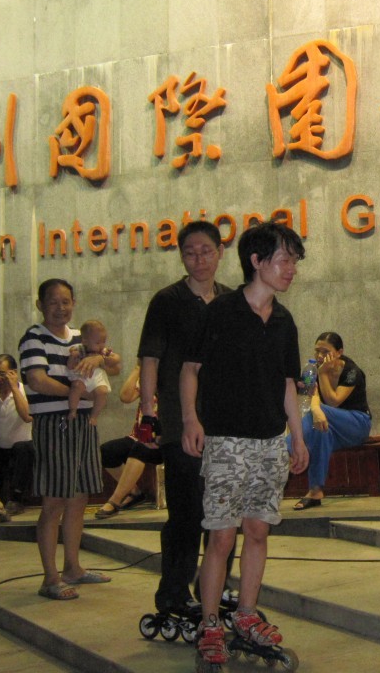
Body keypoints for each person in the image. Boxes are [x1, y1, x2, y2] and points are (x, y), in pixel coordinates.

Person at [181, 222, 309, 667]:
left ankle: (247, 615)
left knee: (258, 531)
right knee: (221, 537)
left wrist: (297, 436)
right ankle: (211, 623)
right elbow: (190, 369)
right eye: (284, 259)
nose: (291, 269)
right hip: (226, 442)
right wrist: (191, 419)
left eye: (294, 261)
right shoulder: (220, 311)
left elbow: (287, 383)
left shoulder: (285, 321)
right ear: (256, 261)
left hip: (270, 442)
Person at [137, 220, 231, 616]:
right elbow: (150, 360)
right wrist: (149, 414)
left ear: (220, 252)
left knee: (224, 513)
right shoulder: (167, 301)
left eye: (206, 251)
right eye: (190, 253)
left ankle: (216, 587)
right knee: (187, 512)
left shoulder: (231, 300)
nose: (199, 259)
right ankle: (174, 592)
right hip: (179, 421)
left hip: (224, 422)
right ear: (181, 257)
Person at [19, 278, 122, 600]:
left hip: (84, 425)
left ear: (74, 303)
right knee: (54, 501)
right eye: (53, 302)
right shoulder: (34, 337)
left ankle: (73, 568)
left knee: (79, 497)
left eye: (65, 301)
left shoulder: (82, 336)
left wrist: (100, 359)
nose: (60, 308)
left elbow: (116, 364)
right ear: (40, 305)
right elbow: (37, 380)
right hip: (54, 424)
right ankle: (50, 577)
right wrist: (79, 394)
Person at [291, 332, 372, 510]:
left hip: (356, 424)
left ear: (339, 352)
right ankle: (315, 491)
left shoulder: (351, 371)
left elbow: (334, 401)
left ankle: (287, 449)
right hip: (329, 425)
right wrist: (316, 409)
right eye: (317, 351)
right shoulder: (311, 370)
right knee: (320, 433)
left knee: (317, 416)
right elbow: (308, 396)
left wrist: (322, 374)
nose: (320, 356)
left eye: (325, 351)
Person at [95, 364, 162, 519]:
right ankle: (133, 492)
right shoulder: (148, 378)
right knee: (107, 451)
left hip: (164, 440)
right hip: (140, 436)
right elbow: (125, 397)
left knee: (141, 448)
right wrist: (138, 368)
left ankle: (114, 501)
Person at [0, 353, 33, 515]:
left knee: (23, 449)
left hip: (24, 448)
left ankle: (17, 499)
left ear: (13, 373)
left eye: (2, 374)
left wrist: (14, 388)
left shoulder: (25, 391)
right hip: (0, 448)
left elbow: (27, 416)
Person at [66, 320, 112, 425]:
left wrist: (102, 358)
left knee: (102, 392)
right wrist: (73, 357)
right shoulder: (80, 349)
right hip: (83, 375)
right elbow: (70, 366)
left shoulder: (103, 351)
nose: (101, 345)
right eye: (97, 343)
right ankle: (73, 410)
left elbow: (116, 360)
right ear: (85, 341)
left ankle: (94, 415)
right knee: (76, 386)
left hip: (98, 376)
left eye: (103, 341)